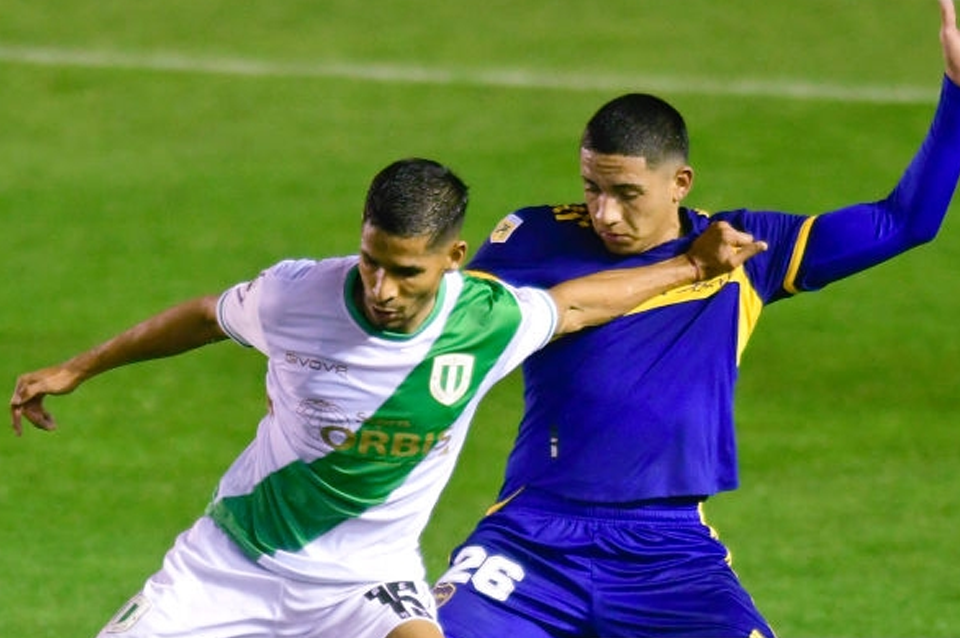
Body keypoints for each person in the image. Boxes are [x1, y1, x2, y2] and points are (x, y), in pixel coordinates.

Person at [9, 158, 763, 638]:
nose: (382, 289)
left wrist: (692, 267)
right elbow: (206, 316)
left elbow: (577, 305)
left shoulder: (487, 320)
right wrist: (79, 368)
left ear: (454, 260)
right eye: (372, 262)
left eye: (407, 272)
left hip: (367, 581)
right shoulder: (296, 295)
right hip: (233, 563)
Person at [433, 2, 960, 637]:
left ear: (679, 182)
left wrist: (957, 94)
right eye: (592, 187)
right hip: (531, 540)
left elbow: (904, 222)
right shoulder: (533, 237)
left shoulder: (746, 251)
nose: (604, 213)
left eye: (626, 193)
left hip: (670, 556)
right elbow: (452, 323)